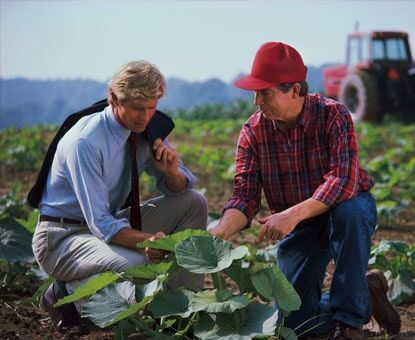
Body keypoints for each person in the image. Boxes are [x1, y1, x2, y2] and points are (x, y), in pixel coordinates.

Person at [210, 42, 401, 339]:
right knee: (294, 325)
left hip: (343, 208)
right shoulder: (253, 131)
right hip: (301, 226)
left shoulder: (333, 114)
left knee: (350, 212)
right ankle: (366, 293)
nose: (257, 101)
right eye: (255, 92)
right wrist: (220, 231)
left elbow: (342, 180)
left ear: (294, 90)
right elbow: (244, 196)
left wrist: (291, 215)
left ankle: (350, 323)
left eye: (265, 92)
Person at [32, 60, 208, 334]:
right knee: (141, 265)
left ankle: (182, 309)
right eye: (138, 108)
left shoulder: (146, 128)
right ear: (113, 98)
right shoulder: (85, 142)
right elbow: (101, 223)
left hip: (102, 229)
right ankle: (66, 294)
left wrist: (171, 172)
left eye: (152, 107)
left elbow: (180, 188)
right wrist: (147, 241)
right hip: (62, 237)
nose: (145, 116)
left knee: (194, 202)